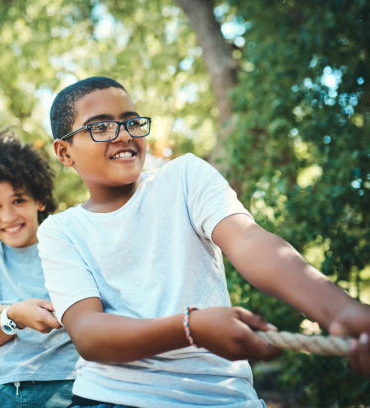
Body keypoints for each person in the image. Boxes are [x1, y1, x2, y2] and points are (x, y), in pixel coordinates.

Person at [37, 76, 370, 407]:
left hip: (225, 399)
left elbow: (249, 242)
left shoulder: (184, 176)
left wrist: (338, 310)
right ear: (64, 152)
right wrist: (190, 327)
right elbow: (89, 333)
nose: (124, 135)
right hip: (111, 399)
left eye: (131, 122)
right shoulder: (61, 231)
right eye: (101, 127)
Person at [0, 130, 78, 408]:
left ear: (39, 201)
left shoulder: (70, 247)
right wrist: (14, 316)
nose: (8, 217)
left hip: (68, 385)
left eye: (18, 200)